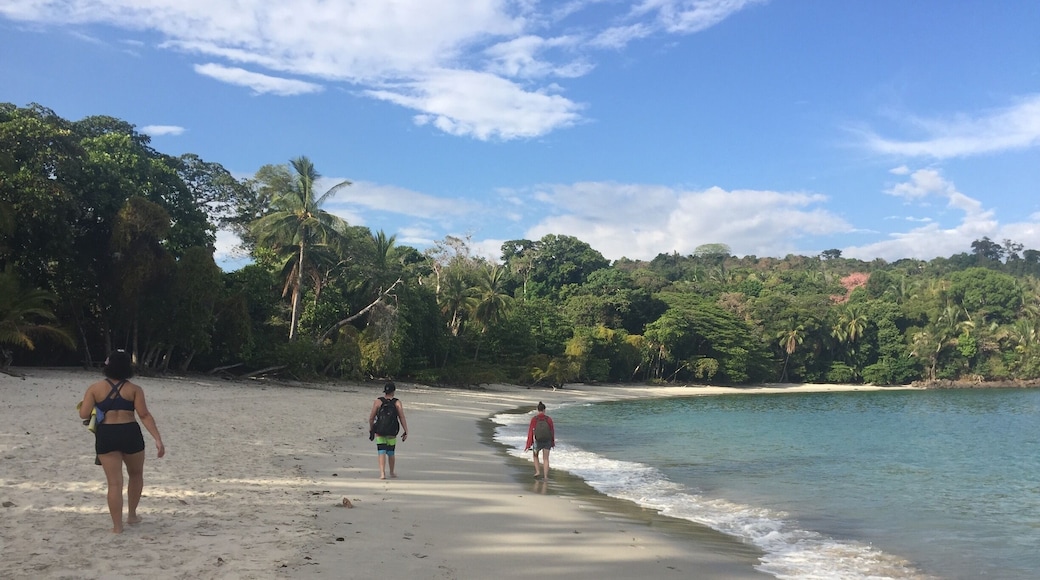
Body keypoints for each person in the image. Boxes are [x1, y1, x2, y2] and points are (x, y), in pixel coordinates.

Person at [78, 350, 165, 533]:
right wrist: (157, 439)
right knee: (136, 475)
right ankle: (132, 515)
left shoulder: (94, 389)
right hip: (130, 432)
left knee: (114, 483)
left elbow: (84, 414)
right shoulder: (134, 390)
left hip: (107, 434)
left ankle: (117, 527)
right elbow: (144, 415)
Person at [368, 382, 408, 479]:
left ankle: (382, 473)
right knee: (391, 452)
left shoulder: (378, 401)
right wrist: (405, 430)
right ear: (393, 391)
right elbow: (401, 417)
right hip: (392, 431)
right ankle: (392, 472)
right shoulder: (397, 402)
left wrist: (371, 428)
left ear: (385, 391)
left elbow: (371, 418)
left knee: (381, 451)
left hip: (380, 430)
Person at [524, 402, 555, 480]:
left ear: (537, 410)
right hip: (547, 440)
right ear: (544, 410)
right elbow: (552, 431)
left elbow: (531, 431)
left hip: (537, 441)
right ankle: (545, 476)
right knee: (546, 459)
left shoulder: (534, 419)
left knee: (535, 456)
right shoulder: (549, 419)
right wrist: (552, 442)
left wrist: (528, 444)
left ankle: (537, 472)